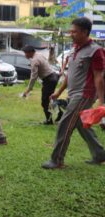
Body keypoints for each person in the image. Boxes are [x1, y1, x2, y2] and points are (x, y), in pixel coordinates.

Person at [42, 17, 105, 169]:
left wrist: (101, 101)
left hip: (85, 94)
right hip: (74, 93)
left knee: (65, 124)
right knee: (81, 124)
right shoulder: (74, 50)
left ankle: (57, 160)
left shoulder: (96, 51)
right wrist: (58, 92)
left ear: (85, 32)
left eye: (74, 32)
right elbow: (70, 75)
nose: (71, 34)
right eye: (70, 31)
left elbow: (99, 77)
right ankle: (99, 154)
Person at [22, 45, 60, 125]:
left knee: (44, 102)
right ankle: (59, 115)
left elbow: (33, 76)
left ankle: (49, 121)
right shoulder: (39, 55)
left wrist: (29, 89)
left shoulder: (35, 60)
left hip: (49, 80)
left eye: (25, 53)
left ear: (30, 52)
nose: (25, 55)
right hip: (53, 77)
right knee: (50, 99)